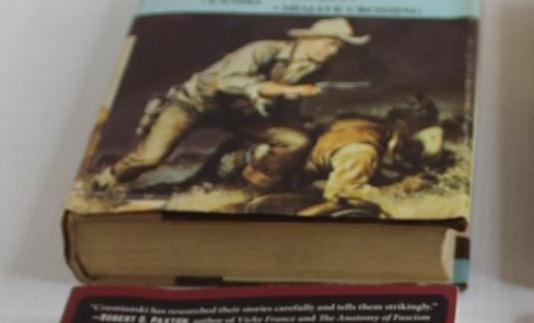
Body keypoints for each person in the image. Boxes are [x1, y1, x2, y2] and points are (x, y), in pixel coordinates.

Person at [90, 17, 370, 192]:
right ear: (308, 39)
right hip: (193, 104)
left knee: (295, 141)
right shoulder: (263, 49)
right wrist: (288, 89)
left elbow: (287, 109)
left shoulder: (314, 70)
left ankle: (245, 188)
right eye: (329, 44)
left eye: (338, 48)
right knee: (150, 158)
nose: (331, 51)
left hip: (241, 114)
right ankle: (109, 178)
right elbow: (228, 82)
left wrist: (294, 113)